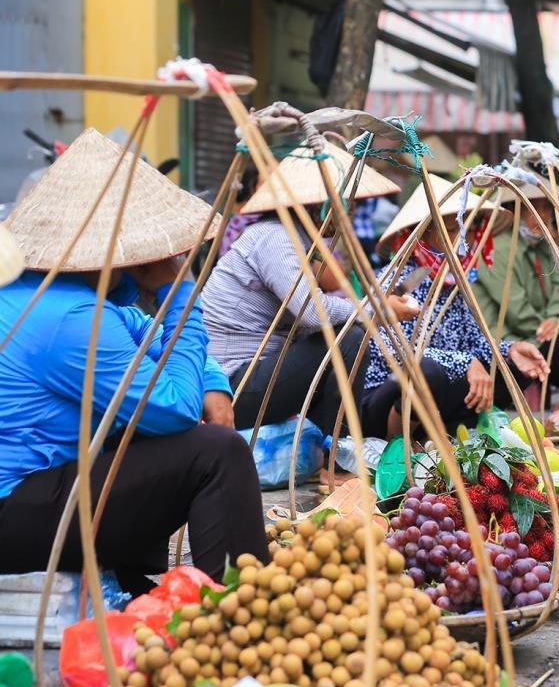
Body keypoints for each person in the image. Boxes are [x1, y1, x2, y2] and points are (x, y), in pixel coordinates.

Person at [0, 128, 268, 591]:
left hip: (34, 492)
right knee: (217, 452)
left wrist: (212, 380)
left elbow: (146, 333)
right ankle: (235, 606)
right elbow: (174, 407)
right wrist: (179, 291)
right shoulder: (70, 316)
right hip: (14, 509)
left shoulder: (50, 290)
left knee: (143, 419)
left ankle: (133, 577)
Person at [201, 142, 418, 455]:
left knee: (346, 334)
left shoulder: (296, 241)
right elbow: (313, 312)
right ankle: (339, 456)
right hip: (232, 386)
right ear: (320, 206)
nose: (350, 212)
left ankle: (327, 450)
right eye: (345, 203)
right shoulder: (275, 237)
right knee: (349, 338)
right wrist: (377, 310)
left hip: (256, 375)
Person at [363, 174, 550, 438]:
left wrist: (510, 350)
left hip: (441, 391)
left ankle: (448, 431)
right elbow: (399, 353)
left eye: (468, 230)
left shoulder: (454, 281)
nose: (463, 239)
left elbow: (474, 341)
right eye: (452, 230)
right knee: (428, 372)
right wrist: (465, 363)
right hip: (387, 398)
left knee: (515, 367)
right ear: (423, 233)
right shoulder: (399, 279)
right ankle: (399, 440)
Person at [475, 180, 559, 388]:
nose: (542, 215)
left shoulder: (541, 244)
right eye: (533, 207)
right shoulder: (499, 248)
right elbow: (516, 310)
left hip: (538, 333)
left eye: (546, 208)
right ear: (513, 209)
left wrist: (555, 318)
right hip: (511, 341)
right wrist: (545, 328)